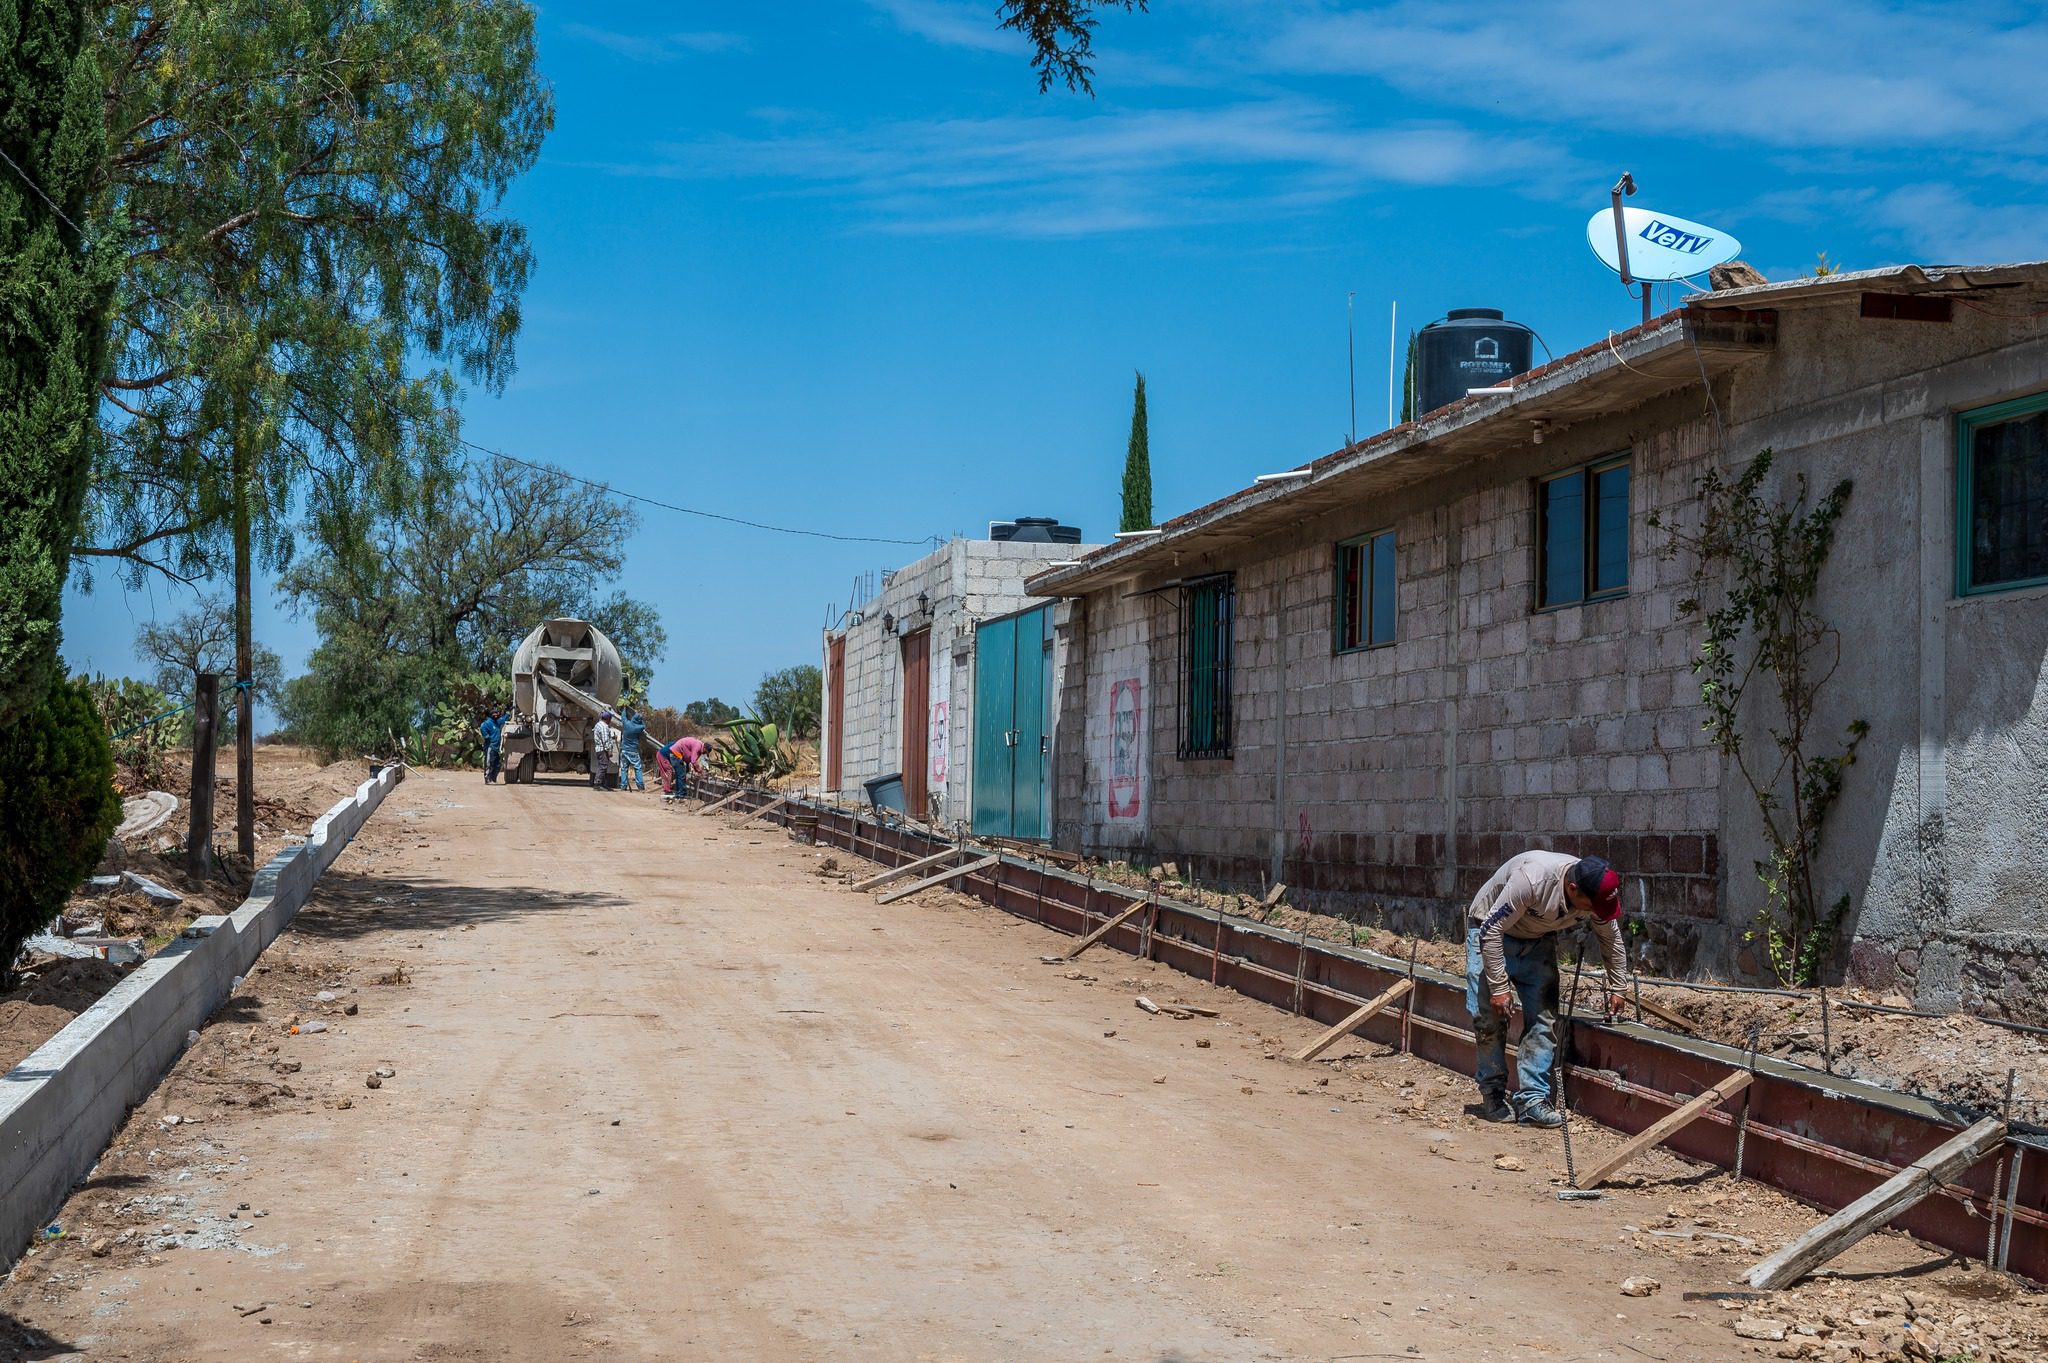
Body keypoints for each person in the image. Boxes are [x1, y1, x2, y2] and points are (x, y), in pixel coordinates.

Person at [1466, 850, 1630, 1128]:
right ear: (1572, 888)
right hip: (1490, 933)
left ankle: (1532, 1101)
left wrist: (1618, 986)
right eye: (1590, 906)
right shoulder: (1532, 880)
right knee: (1490, 1020)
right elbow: (1491, 930)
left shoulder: (1595, 892)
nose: (1593, 913)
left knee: (1544, 1019)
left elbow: (1610, 937)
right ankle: (1493, 1094)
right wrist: (1498, 987)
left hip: (1537, 939)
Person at [665, 734, 708, 802]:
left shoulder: (699, 745)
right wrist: (699, 771)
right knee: (681, 775)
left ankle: (678, 793)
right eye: (706, 752)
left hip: (675, 753)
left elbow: (690, 757)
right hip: (676, 754)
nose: (705, 753)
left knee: (679, 775)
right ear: (705, 748)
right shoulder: (698, 746)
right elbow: (693, 760)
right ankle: (681, 795)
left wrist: (689, 766)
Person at [617, 705, 648, 792]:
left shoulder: (626, 724)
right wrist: (641, 719)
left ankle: (623, 786)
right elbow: (644, 726)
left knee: (624, 768)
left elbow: (623, 716)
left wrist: (625, 708)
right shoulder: (638, 728)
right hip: (633, 751)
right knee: (637, 768)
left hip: (624, 750)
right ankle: (640, 786)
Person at [589, 710, 618, 791]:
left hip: (599, 749)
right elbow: (605, 741)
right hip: (603, 750)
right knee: (603, 766)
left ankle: (602, 784)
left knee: (602, 766)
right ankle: (598, 784)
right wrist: (609, 751)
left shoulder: (598, 724)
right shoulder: (604, 727)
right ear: (608, 719)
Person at [478, 707, 504, 784]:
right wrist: (487, 736)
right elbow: (482, 728)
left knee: (498, 764)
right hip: (490, 746)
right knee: (489, 763)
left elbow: (505, 718)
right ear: (491, 714)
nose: (496, 715)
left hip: (496, 747)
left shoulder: (497, 722)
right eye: (494, 713)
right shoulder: (488, 723)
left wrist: (507, 711)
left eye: (497, 713)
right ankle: (487, 779)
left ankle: (493, 778)